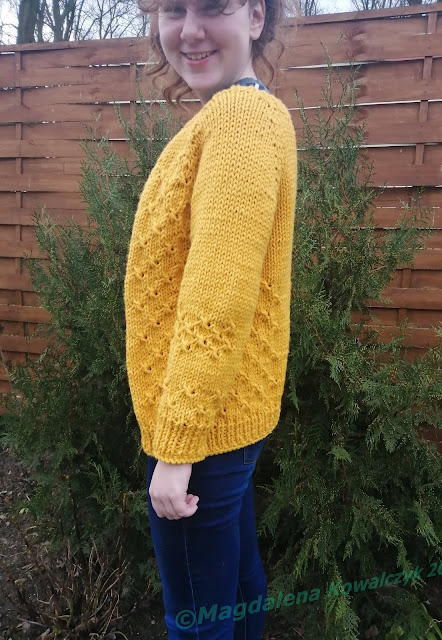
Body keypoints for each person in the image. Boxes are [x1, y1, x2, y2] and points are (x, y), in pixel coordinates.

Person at [123, 0, 301, 636]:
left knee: (196, 622)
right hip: (226, 421)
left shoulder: (240, 120)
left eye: (212, 7)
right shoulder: (245, 114)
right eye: (174, 8)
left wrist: (177, 448)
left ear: (255, 16)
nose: (189, 29)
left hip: (201, 433)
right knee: (237, 588)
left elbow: (218, 298)